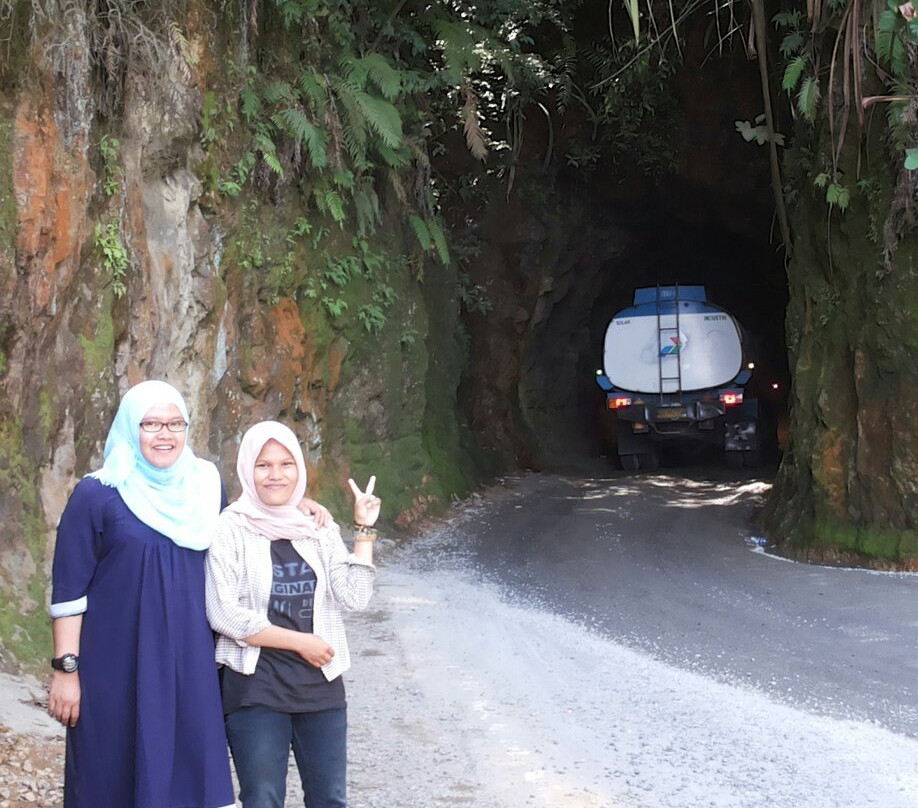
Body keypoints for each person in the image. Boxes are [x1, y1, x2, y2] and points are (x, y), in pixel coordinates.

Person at [47, 379, 235, 808]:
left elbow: (242, 540)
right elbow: (69, 591)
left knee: (189, 778)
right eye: (151, 424)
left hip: (189, 665)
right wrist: (65, 671)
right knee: (109, 776)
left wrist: (305, 512)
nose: (164, 434)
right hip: (114, 669)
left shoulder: (205, 486)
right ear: (131, 428)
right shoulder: (98, 494)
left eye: (175, 423)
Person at [204, 420, 379, 808]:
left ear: (300, 469)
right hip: (255, 686)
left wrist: (363, 530)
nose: (275, 474)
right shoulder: (230, 527)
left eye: (286, 464)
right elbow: (224, 614)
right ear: (247, 468)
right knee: (263, 799)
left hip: (320, 686)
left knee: (330, 799)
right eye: (263, 465)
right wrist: (300, 642)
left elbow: (355, 597)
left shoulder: (316, 526)